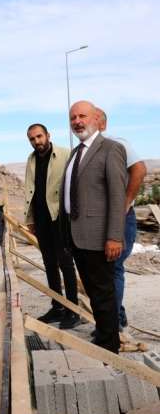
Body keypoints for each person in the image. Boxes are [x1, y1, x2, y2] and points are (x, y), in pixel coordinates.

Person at [60, 100, 127, 353]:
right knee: (93, 291)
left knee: (104, 293)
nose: (77, 121)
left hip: (99, 237)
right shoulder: (76, 152)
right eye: (73, 118)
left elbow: (117, 196)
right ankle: (102, 335)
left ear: (96, 118)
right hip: (77, 235)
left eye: (82, 116)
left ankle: (110, 347)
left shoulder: (110, 148)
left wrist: (114, 237)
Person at [24, 123, 79, 329]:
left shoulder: (65, 154)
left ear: (48, 135)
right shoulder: (31, 159)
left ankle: (73, 310)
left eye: (39, 136)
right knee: (49, 264)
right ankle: (57, 307)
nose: (37, 142)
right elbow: (30, 190)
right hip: (41, 219)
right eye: (32, 139)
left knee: (65, 262)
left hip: (60, 218)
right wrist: (30, 219)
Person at [96, 108, 147, 331]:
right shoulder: (87, 151)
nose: (81, 122)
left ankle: (112, 324)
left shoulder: (117, 144)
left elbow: (139, 169)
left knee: (114, 267)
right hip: (98, 220)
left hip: (120, 217)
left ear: (103, 124)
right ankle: (117, 314)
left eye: (91, 118)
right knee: (103, 270)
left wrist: (125, 202)